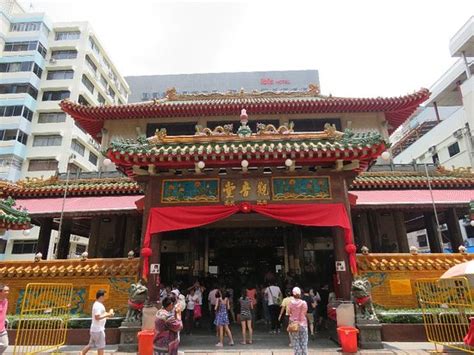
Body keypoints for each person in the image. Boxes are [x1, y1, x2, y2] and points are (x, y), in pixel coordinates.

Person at [81, 289, 114, 355]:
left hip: (95, 329)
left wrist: (109, 315)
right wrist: (108, 314)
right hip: (98, 330)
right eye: (105, 296)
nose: (105, 298)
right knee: (101, 347)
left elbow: (102, 315)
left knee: (90, 345)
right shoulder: (98, 305)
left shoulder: (98, 304)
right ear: (101, 296)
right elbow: (97, 317)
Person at [288, 287, 308, 355]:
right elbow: (305, 313)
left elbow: (289, 312)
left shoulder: (291, 303)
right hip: (303, 324)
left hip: (294, 324)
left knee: (295, 342)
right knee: (304, 343)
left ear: (293, 294)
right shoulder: (303, 303)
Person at [0, 284, 9, 354]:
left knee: (5, 345)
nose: (7, 292)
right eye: (5, 291)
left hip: (2, 329)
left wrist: (5, 318)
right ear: (0, 292)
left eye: (8, 291)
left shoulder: (6, 301)